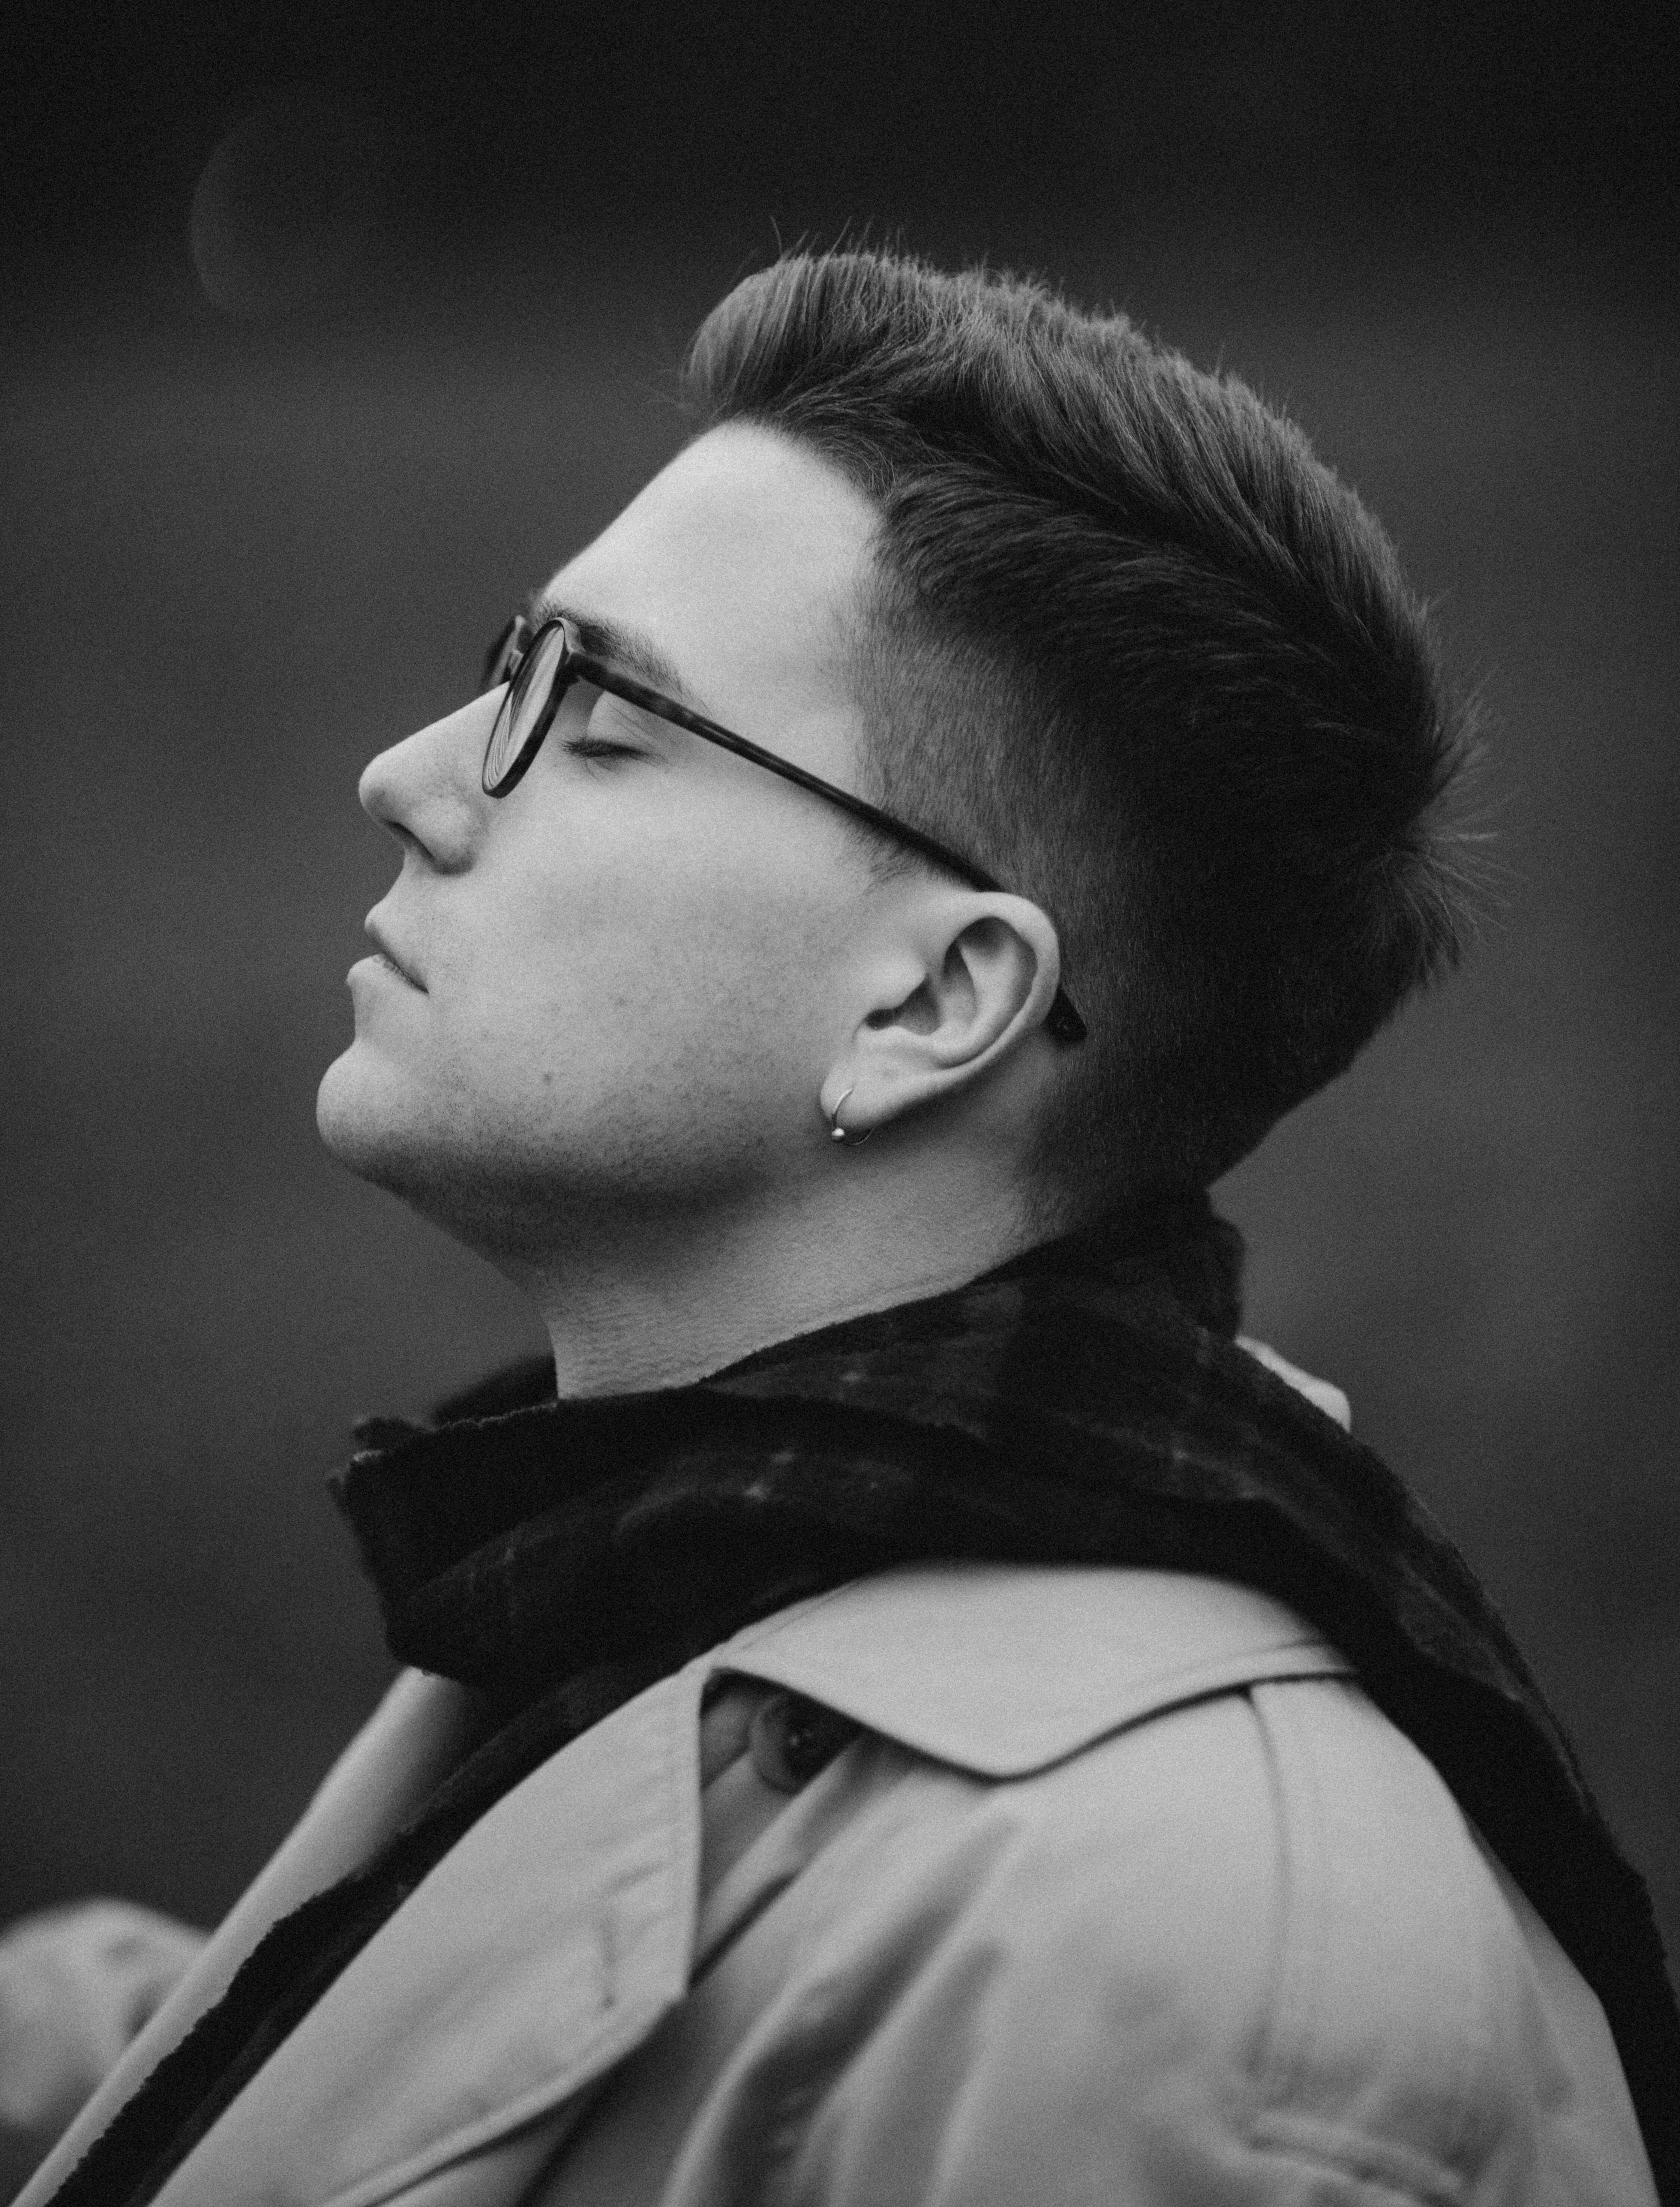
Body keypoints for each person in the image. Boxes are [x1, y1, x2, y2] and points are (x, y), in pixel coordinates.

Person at [4, 249, 1673, 2204]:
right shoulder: (678, 1567)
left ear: (934, 1002)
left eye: (603, 723)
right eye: (504, 679)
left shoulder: (1193, 1972)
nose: (408, 781)